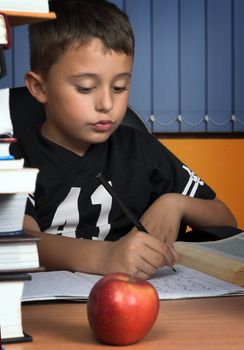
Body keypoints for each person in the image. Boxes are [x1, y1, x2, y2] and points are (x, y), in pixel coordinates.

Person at [11, 0, 236, 279]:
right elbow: (19, 242)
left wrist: (176, 203)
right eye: (86, 88)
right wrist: (107, 256)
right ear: (39, 87)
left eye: (120, 87)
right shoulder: (15, 159)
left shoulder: (140, 148)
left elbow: (226, 222)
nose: (107, 103)